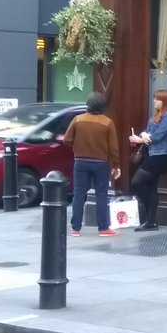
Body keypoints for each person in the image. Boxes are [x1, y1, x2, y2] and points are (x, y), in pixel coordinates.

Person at [63, 92, 121, 237]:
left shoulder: (78, 119)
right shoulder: (107, 122)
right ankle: (103, 228)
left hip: (80, 161)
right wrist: (116, 165)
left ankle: (75, 228)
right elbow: (113, 148)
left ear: (88, 104)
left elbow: (66, 140)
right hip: (100, 163)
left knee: (79, 194)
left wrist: (77, 148)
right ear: (103, 106)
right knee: (101, 194)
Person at [129, 89, 167, 231]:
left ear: (165, 101)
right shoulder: (156, 115)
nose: (154, 101)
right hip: (151, 154)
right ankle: (151, 221)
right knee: (151, 187)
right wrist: (142, 136)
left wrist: (141, 138)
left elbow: (157, 136)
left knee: (137, 182)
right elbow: (147, 132)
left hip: (161, 156)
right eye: (154, 98)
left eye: (157, 99)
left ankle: (150, 216)